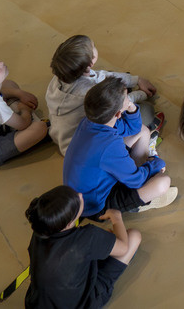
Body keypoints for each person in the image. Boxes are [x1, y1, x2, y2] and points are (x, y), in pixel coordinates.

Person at [63, 77, 175, 217]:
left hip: (90, 188)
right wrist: (156, 163)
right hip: (95, 206)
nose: (129, 100)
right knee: (163, 182)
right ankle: (139, 204)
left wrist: (133, 109)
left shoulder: (91, 121)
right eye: (127, 98)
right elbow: (136, 180)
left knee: (143, 131)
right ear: (118, 114)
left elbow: (133, 129)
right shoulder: (109, 145)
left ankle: (141, 174)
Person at [21, 185, 140, 309]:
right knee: (134, 236)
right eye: (77, 202)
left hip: (36, 304)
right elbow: (123, 247)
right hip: (82, 304)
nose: (80, 195)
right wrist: (116, 218)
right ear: (68, 223)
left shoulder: (40, 230)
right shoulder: (88, 236)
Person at [44, 34, 159, 156]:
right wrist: (141, 94)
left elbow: (100, 76)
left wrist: (137, 80)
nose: (95, 47)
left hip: (62, 137)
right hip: (84, 150)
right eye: (94, 46)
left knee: (115, 81)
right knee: (146, 111)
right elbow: (122, 103)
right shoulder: (90, 92)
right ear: (90, 63)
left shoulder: (61, 76)